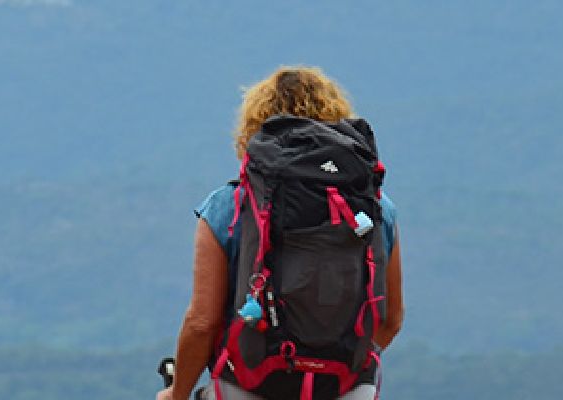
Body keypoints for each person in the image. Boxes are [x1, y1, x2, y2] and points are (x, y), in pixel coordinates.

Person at [158, 66, 406, 400]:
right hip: (345, 389)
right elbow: (388, 320)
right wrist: (331, 368)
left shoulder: (228, 207)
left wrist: (177, 394)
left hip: (246, 387)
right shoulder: (376, 209)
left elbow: (202, 323)